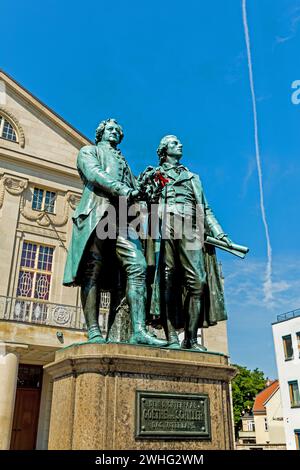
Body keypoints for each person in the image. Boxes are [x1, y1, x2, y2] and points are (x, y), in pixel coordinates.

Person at [63, 118, 167, 347]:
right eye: (110, 129)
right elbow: (95, 175)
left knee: (137, 265)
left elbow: (136, 191)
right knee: (93, 272)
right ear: (100, 133)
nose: (115, 133)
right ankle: (93, 330)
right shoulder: (88, 151)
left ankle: (139, 330)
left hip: (122, 219)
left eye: (118, 131)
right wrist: (124, 190)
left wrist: (148, 187)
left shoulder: (124, 162)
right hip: (97, 213)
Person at [139, 135, 232, 351]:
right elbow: (144, 201)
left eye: (178, 143)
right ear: (163, 150)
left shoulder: (193, 177)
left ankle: (190, 339)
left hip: (191, 228)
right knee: (167, 281)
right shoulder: (156, 174)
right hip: (166, 228)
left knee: (198, 282)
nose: (179, 145)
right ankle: (171, 336)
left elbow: (205, 209)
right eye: (174, 143)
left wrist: (220, 233)